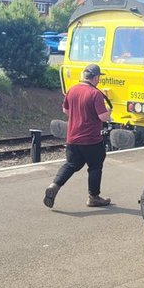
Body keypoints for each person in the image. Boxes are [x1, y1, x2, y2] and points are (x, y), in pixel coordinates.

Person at [43, 64, 112, 208]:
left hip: (73, 138)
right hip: (91, 139)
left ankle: (54, 185)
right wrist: (108, 111)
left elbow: (66, 110)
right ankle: (93, 197)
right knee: (95, 166)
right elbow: (103, 117)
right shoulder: (95, 93)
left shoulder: (72, 90)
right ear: (96, 77)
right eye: (99, 78)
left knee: (71, 164)